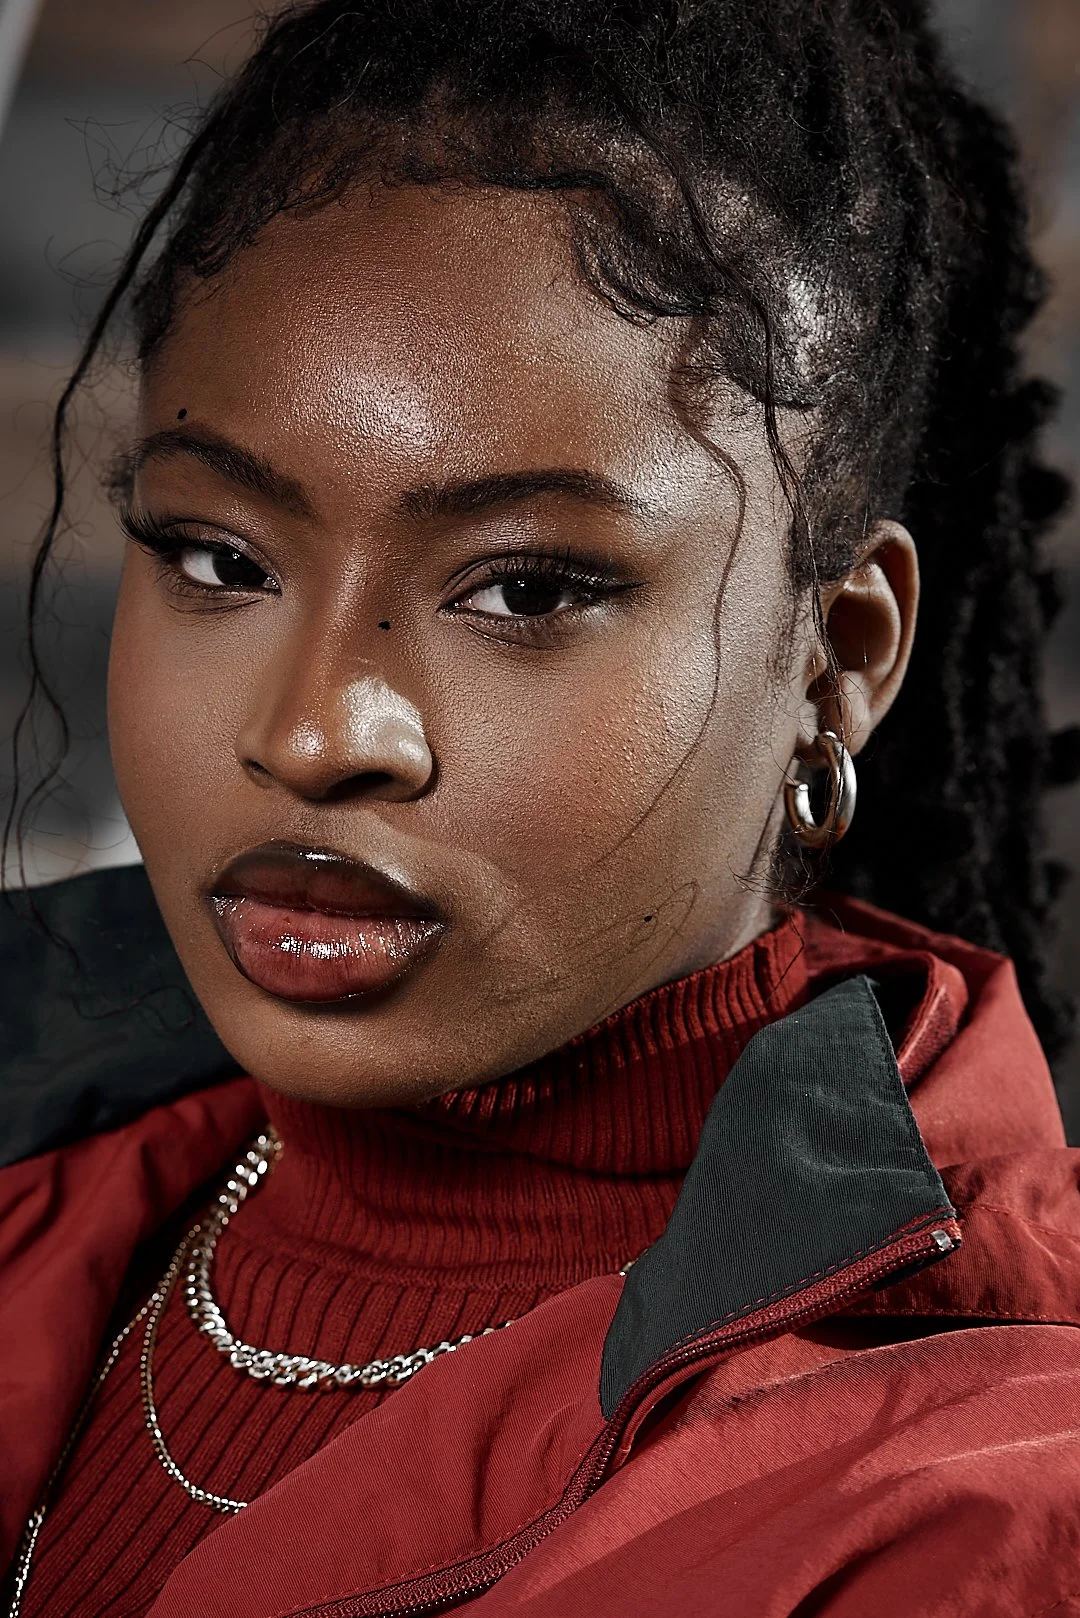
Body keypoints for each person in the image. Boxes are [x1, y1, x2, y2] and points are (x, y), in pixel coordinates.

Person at [2, 0, 1080, 1612]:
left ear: (839, 659)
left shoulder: (960, 1510)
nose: (314, 733)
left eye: (523, 589)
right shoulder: (53, 1169)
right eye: (220, 558)